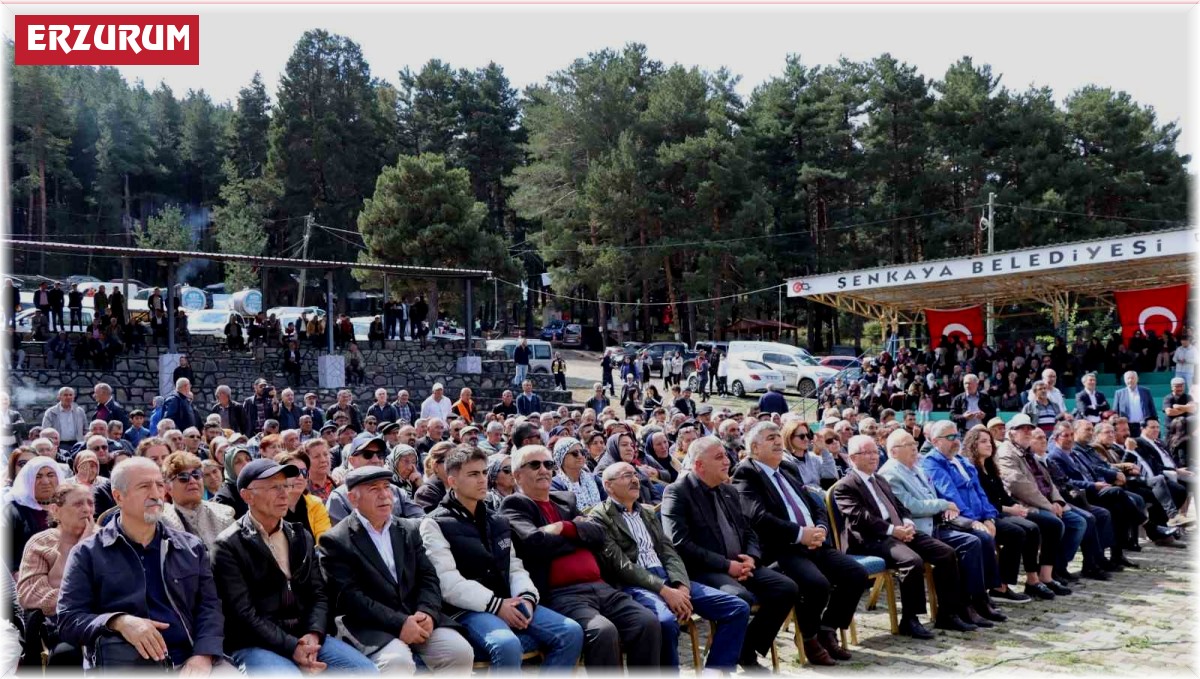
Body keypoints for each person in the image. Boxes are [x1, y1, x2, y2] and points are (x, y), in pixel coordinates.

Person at [418, 448, 584, 669]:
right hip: (466, 609)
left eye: (485, 473)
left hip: (509, 600)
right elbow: (448, 584)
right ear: (452, 481)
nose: (482, 480)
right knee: (506, 644)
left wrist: (526, 597)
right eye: (473, 474)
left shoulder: (497, 519)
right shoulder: (434, 523)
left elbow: (514, 567)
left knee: (571, 632)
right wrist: (497, 605)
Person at [500, 444, 661, 668]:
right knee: (603, 631)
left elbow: (598, 535)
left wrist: (561, 528)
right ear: (517, 475)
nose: (544, 470)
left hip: (601, 586)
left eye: (548, 464)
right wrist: (577, 533)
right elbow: (535, 543)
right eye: (535, 465)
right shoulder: (514, 504)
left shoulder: (566, 499)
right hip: (562, 594)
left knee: (647, 622)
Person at [56, 457, 224, 671]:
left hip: (191, 659)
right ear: (118, 497)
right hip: (124, 664)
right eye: (144, 486)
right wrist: (118, 622)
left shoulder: (191, 547)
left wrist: (204, 655)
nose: (156, 494)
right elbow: (69, 620)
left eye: (160, 485)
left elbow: (210, 607)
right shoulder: (87, 553)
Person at [212, 458, 378, 674]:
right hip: (256, 643)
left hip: (305, 635)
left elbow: (318, 593)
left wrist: (313, 633)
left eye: (285, 486)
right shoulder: (228, 545)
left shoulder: (300, 535)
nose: (284, 494)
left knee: (366, 671)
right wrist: (292, 647)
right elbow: (243, 614)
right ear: (247, 495)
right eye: (273, 487)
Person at [592, 461, 750, 670]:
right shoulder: (600, 517)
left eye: (634, 474)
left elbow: (669, 552)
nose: (634, 479)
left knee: (737, 608)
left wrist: (681, 586)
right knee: (665, 622)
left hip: (669, 579)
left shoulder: (647, 513)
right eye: (625, 475)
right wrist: (665, 590)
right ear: (608, 486)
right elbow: (621, 565)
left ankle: (716, 671)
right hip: (636, 585)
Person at [731, 423, 869, 664]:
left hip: (813, 542)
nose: (778, 441)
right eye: (770, 438)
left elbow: (815, 503)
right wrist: (798, 534)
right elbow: (758, 517)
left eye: (778, 436)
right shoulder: (746, 473)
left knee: (855, 575)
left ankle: (827, 629)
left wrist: (820, 529)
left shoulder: (786, 468)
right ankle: (809, 638)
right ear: (754, 447)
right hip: (782, 548)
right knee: (817, 585)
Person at [661, 436, 799, 670]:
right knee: (739, 599)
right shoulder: (677, 492)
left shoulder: (728, 490)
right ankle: (719, 666)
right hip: (704, 570)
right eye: (719, 457)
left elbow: (749, 531)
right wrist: (727, 565)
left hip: (742, 565)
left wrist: (751, 558)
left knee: (786, 588)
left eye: (725, 455)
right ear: (699, 465)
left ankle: (746, 649)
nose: (727, 461)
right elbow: (680, 543)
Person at [831, 434, 963, 639]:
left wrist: (907, 523)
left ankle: (948, 612)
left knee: (945, 553)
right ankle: (910, 620)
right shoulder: (846, 486)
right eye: (866, 453)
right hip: (870, 539)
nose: (873, 457)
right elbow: (861, 519)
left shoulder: (880, 479)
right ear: (852, 458)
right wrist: (894, 530)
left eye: (875, 451)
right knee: (912, 561)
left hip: (898, 531)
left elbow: (900, 506)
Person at [877, 427, 999, 629]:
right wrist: (943, 505)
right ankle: (964, 605)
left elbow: (931, 497)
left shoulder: (915, 468)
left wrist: (945, 510)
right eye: (909, 445)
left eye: (915, 444)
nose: (915, 448)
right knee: (969, 543)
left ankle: (976, 599)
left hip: (938, 522)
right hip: (920, 529)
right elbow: (911, 506)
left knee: (977, 538)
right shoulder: (890, 474)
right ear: (894, 450)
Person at [994, 414, 1080, 595]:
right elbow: (1020, 486)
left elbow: (1047, 480)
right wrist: (1049, 505)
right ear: (1011, 432)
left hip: (1046, 502)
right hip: (1024, 504)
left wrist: (1057, 500)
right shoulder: (1007, 452)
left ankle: (1050, 573)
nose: (1027, 431)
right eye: (1022, 428)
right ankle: (1039, 578)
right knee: (1052, 524)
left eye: (1029, 428)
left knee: (1081, 521)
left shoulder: (1028, 452)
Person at [17, 481, 95, 667]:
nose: (86, 509)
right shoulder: (41, 543)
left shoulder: (104, 538)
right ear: (56, 510)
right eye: (78, 504)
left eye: (90, 503)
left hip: (103, 619)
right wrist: (80, 547)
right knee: (66, 655)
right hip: (61, 625)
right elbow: (29, 594)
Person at [327, 437, 425, 523]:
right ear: (352, 461)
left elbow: (421, 520)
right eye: (367, 454)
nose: (376, 460)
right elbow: (343, 539)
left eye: (379, 454)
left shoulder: (397, 491)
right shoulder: (339, 498)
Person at [159, 451, 235, 553]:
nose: (192, 481)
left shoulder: (224, 514)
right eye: (183, 477)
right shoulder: (162, 522)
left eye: (196, 474)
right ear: (168, 487)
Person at [3, 457, 60, 574]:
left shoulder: (68, 505)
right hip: (27, 577)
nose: (45, 481)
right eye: (37, 476)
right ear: (27, 480)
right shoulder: (12, 511)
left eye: (50, 475)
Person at [549, 437, 605, 512]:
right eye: (575, 453)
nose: (580, 456)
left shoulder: (595, 479)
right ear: (561, 457)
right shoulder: (554, 485)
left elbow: (606, 504)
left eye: (582, 452)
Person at [41, 387, 87, 452]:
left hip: (77, 445)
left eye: (70, 395)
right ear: (59, 397)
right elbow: (45, 431)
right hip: (58, 445)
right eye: (65, 395)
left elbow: (85, 429)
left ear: (74, 397)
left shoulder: (80, 411)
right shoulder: (51, 412)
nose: (68, 397)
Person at [1113, 371, 1155, 437]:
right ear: (1124, 380)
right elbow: (1115, 411)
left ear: (1137, 379)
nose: (1130, 380)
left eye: (1132, 378)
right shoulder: (1119, 393)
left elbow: (1152, 409)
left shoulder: (1146, 391)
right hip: (1126, 426)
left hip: (1143, 426)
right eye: (1128, 378)